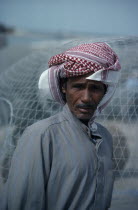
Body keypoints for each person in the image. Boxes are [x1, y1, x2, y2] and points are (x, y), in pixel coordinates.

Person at [0, 42, 121, 210]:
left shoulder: (105, 137)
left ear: (104, 92)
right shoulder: (41, 135)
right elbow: (24, 201)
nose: (86, 97)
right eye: (78, 87)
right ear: (64, 88)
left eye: (95, 88)